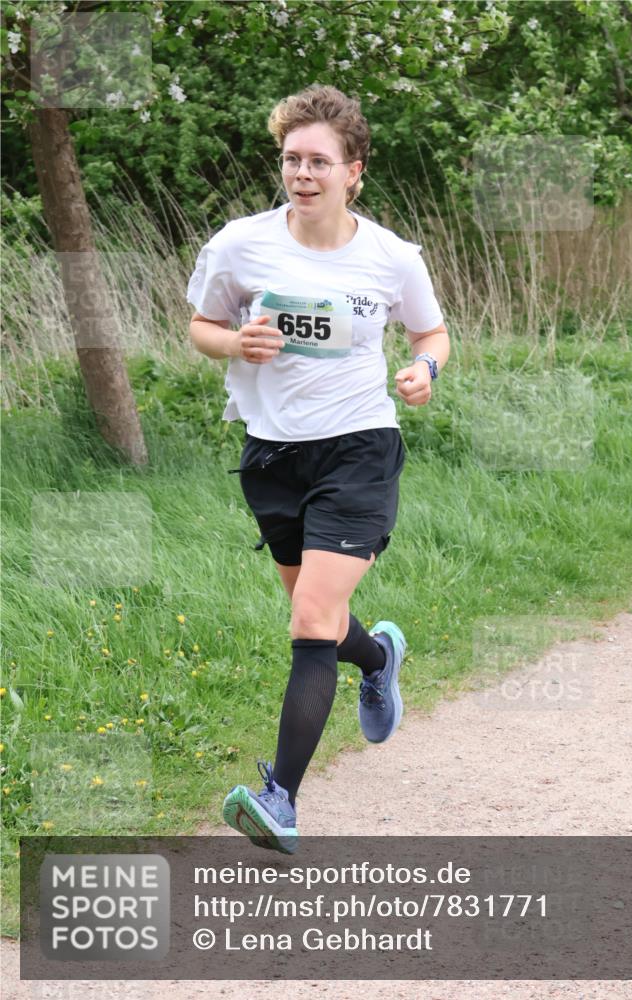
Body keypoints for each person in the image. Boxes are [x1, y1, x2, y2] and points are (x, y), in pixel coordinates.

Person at [187, 84, 449, 854]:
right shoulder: (240, 244)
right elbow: (201, 326)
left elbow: (431, 334)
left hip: (358, 448)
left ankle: (281, 801)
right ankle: (379, 657)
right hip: (270, 456)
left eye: (318, 161)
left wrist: (423, 372)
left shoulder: (391, 257)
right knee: (323, 621)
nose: (302, 174)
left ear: (352, 171)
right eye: (291, 160)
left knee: (307, 623)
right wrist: (235, 344)